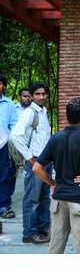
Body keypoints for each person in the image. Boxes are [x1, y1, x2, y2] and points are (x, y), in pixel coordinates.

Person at [32, 98, 80, 254]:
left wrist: (52, 182)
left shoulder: (56, 138)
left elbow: (37, 167)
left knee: (55, 248)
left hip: (59, 200)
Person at [10, 81, 52, 244]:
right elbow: (15, 136)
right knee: (32, 199)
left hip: (45, 162)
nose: (41, 97)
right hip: (35, 161)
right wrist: (30, 158)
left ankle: (42, 228)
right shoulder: (29, 113)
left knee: (44, 198)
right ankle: (29, 233)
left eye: (43, 94)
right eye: (37, 94)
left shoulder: (44, 111)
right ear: (32, 96)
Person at [0, 73, 18, 219]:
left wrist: (9, 139)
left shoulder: (9, 104)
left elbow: (14, 124)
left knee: (5, 176)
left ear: (3, 86)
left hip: (4, 145)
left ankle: (4, 206)